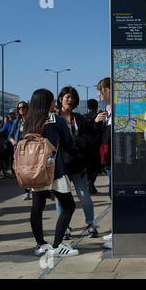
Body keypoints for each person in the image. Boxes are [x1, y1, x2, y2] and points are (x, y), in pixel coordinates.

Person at [25, 88, 79, 257]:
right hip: (55, 170)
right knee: (69, 206)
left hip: (35, 171)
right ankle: (57, 245)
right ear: (47, 102)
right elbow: (69, 143)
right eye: (52, 100)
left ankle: (41, 244)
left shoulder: (29, 121)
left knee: (37, 207)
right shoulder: (55, 119)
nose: (54, 103)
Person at [56, 86, 98, 239]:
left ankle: (90, 223)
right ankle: (64, 227)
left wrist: (78, 142)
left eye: (73, 98)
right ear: (60, 99)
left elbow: (90, 137)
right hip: (60, 165)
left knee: (84, 195)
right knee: (61, 198)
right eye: (67, 97)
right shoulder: (54, 118)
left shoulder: (79, 118)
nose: (70, 100)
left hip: (78, 164)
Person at [94, 78, 112, 248]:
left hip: (116, 157)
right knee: (113, 193)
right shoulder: (106, 110)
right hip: (108, 158)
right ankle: (118, 229)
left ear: (107, 90)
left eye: (100, 90)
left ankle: (121, 231)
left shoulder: (118, 109)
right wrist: (97, 123)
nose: (99, 94)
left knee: (116, 193)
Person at [9, 101, 32, 200]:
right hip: (19, 149)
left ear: (27, 108)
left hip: (31, 149)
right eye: (19, 108)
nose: (21, 109)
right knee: (22, 172)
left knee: (32, 170)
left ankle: (36, 189)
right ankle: (27, 191)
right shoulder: (16, 122)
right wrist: (13, 140)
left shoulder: (32, 121)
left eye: (23, 107)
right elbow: (10, 135)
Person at [83, 99, 101, 195]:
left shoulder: (83, 117)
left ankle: (90, 185)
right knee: (96, 167)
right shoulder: (99, 116)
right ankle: (90, 184)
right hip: (96, 145)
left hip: (86, 146)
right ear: (97, 106)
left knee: (88, 167)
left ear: (87, 107)